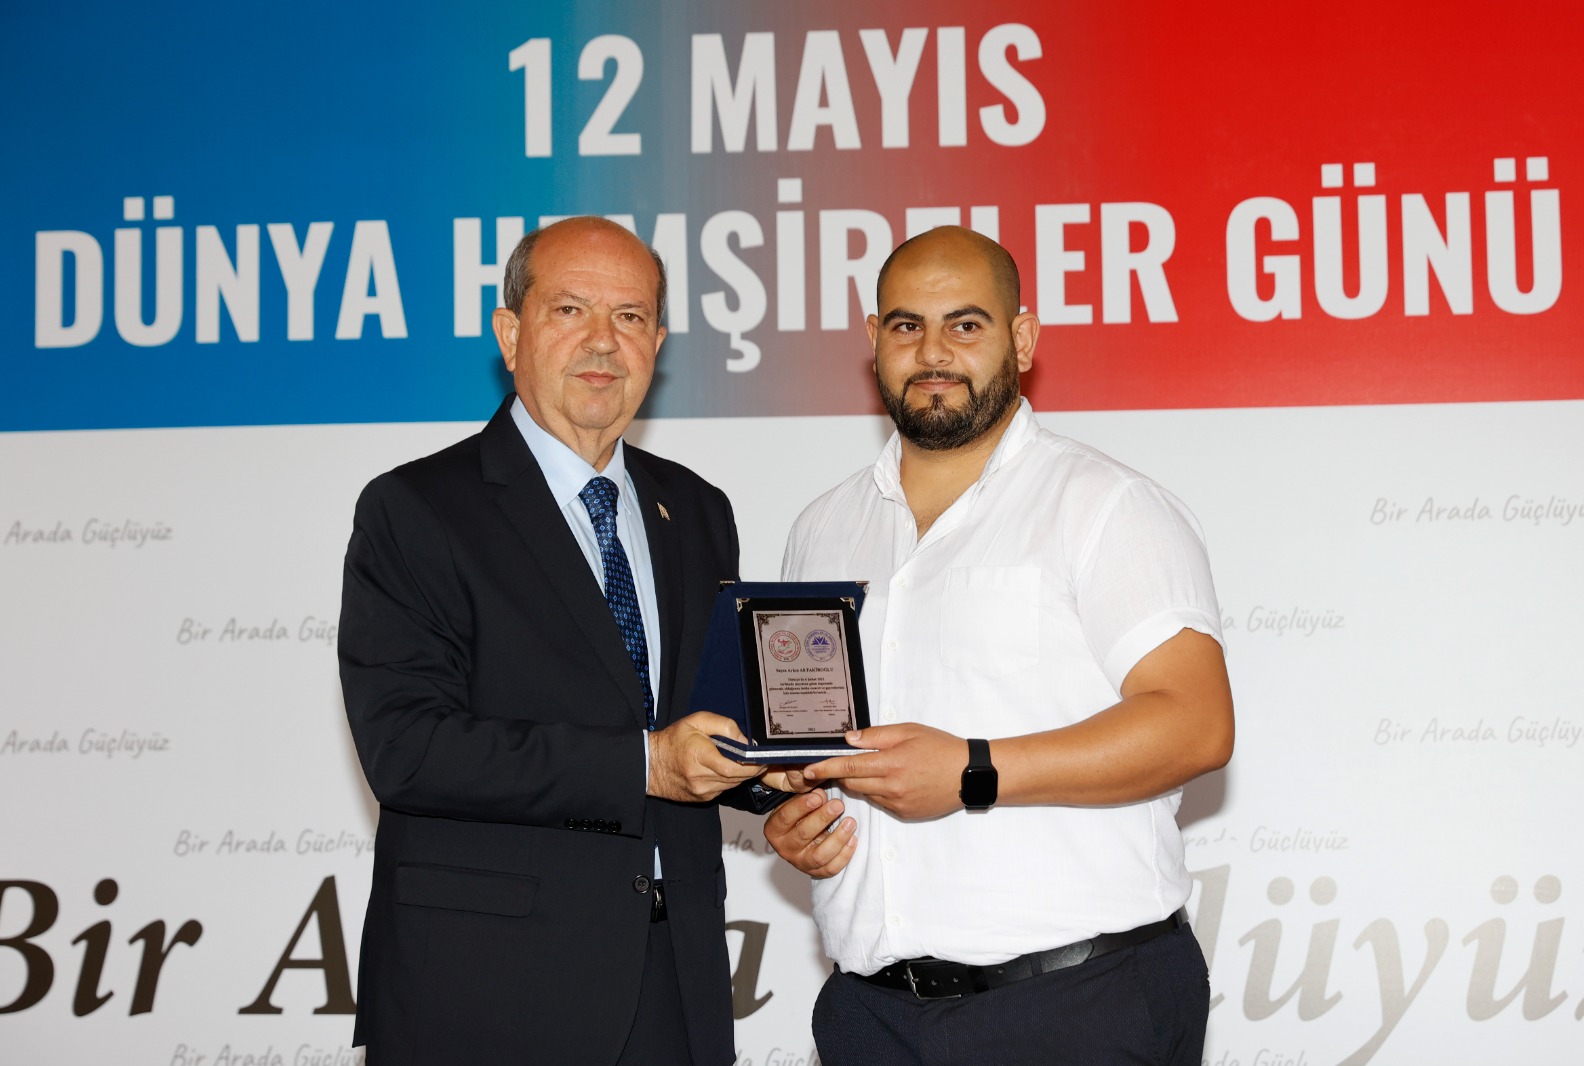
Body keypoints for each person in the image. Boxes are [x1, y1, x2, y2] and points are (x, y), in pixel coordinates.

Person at [763, 226, 1234, 1065]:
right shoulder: (820, 529)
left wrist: (972, 770)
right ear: (873, 341)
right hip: (868, 1018)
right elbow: (815, 746)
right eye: (907, 326)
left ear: (1021, 338)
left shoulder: (1106, 505)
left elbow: (1195, 725)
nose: (933, 353)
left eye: (966, 325)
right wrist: (798, 821)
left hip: (1076, 1008)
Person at [339, 216, 769, 1066]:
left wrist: (779, 790)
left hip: (675, 984)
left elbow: (702, 721)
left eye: (631, 316)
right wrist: (642, 764)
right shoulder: (416, 509)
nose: (603, 340)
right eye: (570, 310)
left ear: (658, 343)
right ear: (510, 334)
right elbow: (408, 750)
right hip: (488, 995)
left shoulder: (696, 510)